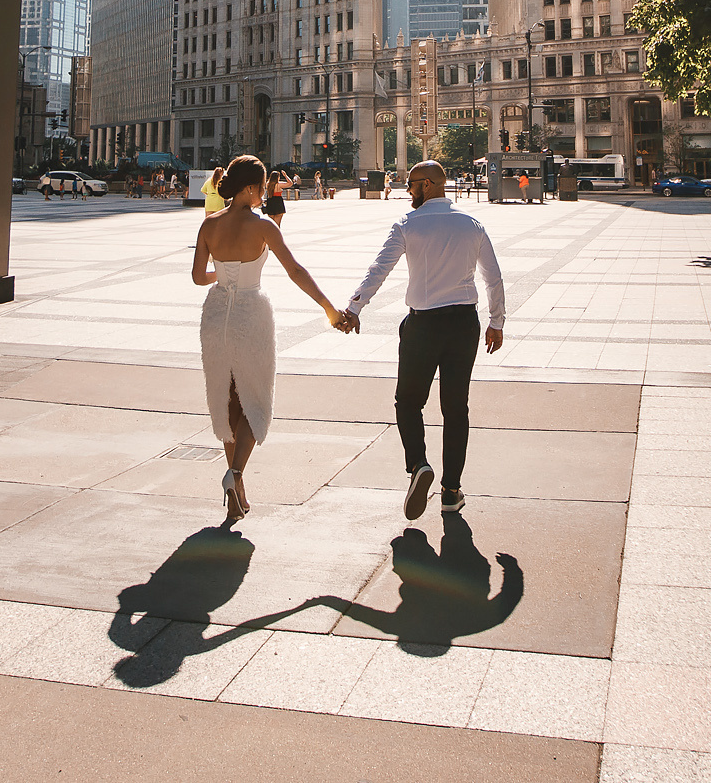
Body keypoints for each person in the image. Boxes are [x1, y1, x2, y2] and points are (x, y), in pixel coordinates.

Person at [340, 161, 508, 520]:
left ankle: (418, 464)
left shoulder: (407, 224)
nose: (408, 189)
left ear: (428, 184)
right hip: (464, 324)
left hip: (423, 325)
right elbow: (493, 277)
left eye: (412, 184)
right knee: (456, 408)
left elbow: (379, 269)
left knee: (408, 401)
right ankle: (451, 491)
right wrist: (496, 321)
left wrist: (354, 307)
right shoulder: (472, 224)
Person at [192, 155, 345, 525]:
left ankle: (236, 491)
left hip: (215, 316)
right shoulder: (263, 226)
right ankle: (236, 474)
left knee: (226, 399)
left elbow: (198, 277)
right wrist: (329, 307)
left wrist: (223, 275)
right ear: (250, 188)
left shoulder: (209, 224)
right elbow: (295, 270)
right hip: (250, 314)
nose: (264, 193)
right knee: (255, 399)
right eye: (261, 187)